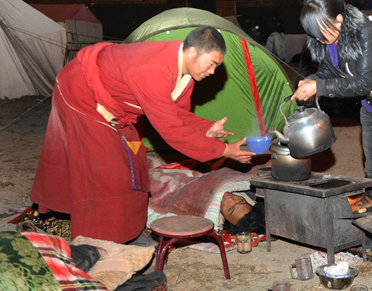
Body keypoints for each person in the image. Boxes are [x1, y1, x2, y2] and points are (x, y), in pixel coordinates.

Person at [30, 26, 255, 243]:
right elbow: (171, 130)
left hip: (117, 108)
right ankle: (97, 241)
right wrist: (224, 150)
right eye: (212, 64)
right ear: (192, 52)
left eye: (217, 66)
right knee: (107, 173)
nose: (213, 71)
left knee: (135, 162)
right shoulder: (153, 69)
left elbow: (178, 114)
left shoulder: (186, 73)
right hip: (83, 95)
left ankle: (128, 232)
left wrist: (205, 129)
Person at [292, 0, 372, 252]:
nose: (317, 38)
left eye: (321, 30)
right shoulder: (324, 39)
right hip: (370, 103)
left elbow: (361, 82)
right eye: (312, 33)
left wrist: (321, 87)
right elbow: (328, 70)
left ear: (339, 19)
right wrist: (314, 79)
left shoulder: (367, 33)